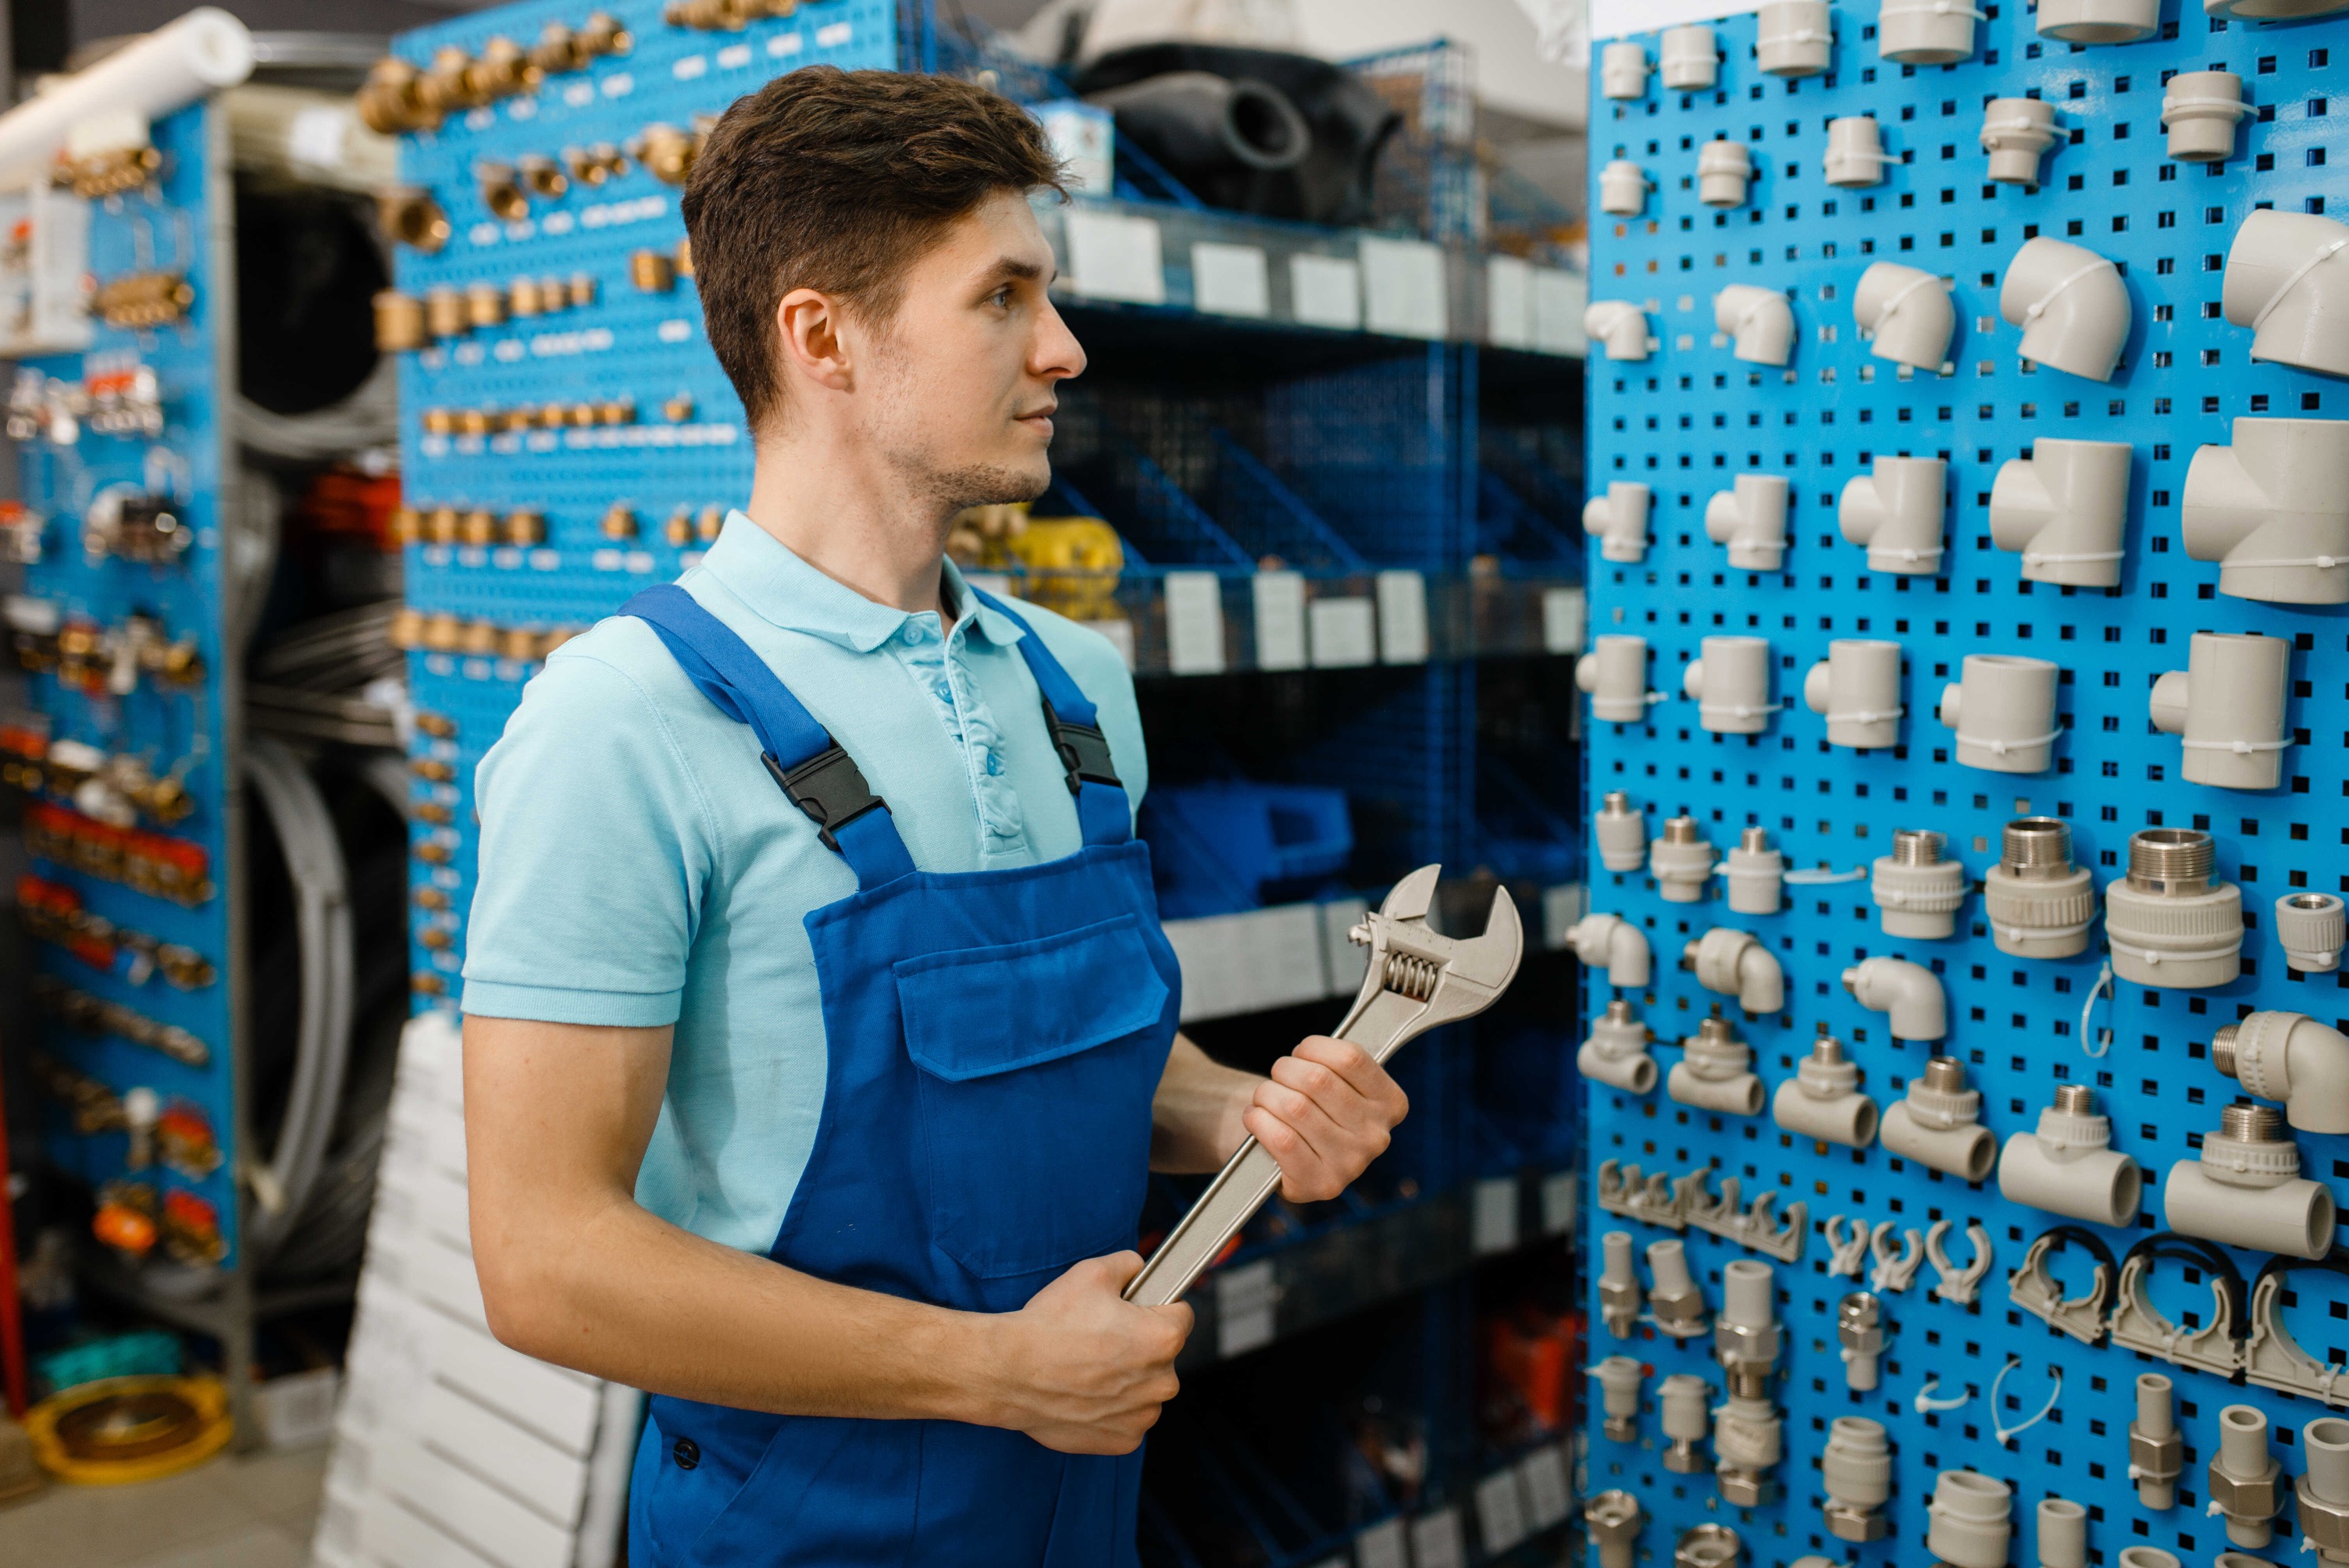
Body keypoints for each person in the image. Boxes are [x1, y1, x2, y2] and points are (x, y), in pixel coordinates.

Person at [457, 66, 1412, 1566]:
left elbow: (1052, 1054)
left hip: (1076, 1502)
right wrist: (992, 1372)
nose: (1065, 347)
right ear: (822, 337)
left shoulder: (1076, 687)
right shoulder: (622, 721)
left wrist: (1236, 1116)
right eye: (1003, 297)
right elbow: (544, 1262)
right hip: (799, 1527)